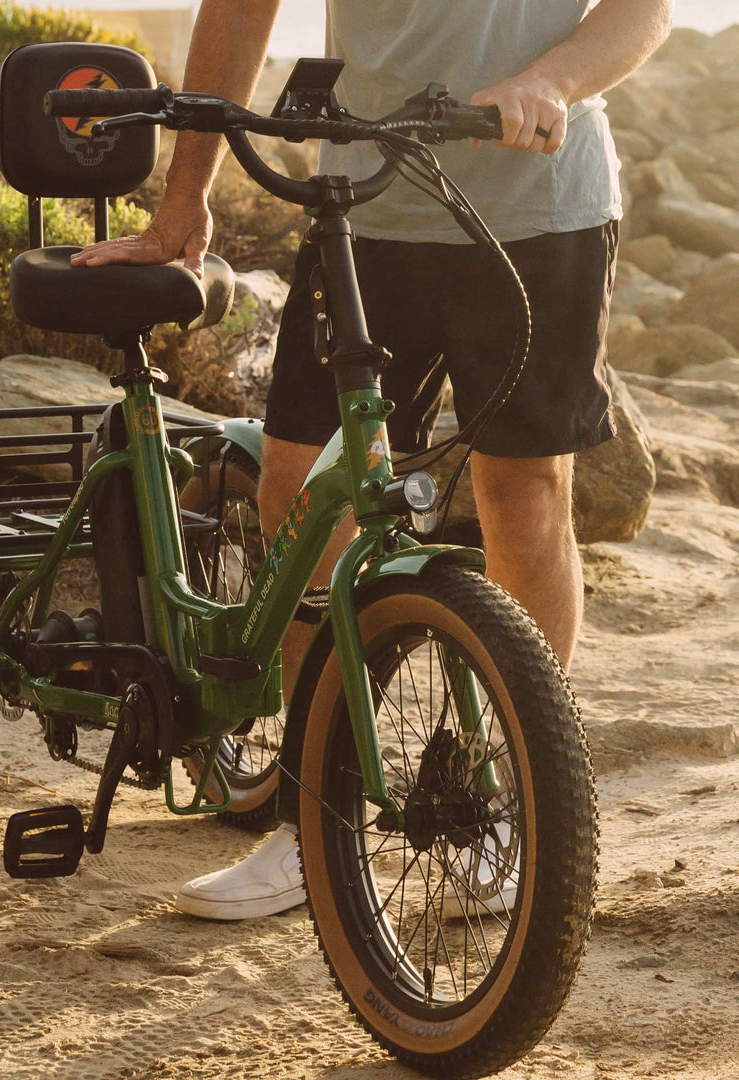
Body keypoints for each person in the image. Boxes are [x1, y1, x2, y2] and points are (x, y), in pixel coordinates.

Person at [72, 0, 673, 919]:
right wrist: (184, 197)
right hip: (365, 207)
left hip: (539, 209)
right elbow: (240, 7)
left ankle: (502, 803)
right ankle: (315, 818)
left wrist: (553, 77)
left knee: (522, 499)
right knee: (298, 490)